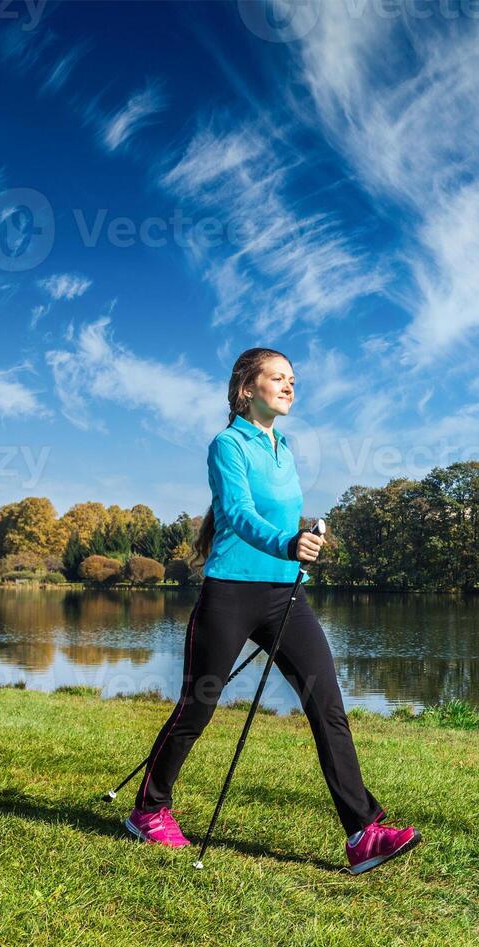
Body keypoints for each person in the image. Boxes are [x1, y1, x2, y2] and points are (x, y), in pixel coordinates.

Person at [125, 347, 421, 875]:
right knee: (198, 706)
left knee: (326, 703)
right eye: (277, 378)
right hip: (230, 595)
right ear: (246, 388)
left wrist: (304, 543)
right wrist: (288, 542)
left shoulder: (284, 448)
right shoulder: (227, 445)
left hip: (286, 596)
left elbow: (284, 522)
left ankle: (362, 832)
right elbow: (236, 514)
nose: (289, 387)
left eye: (292, 380)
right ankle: (149, 810)